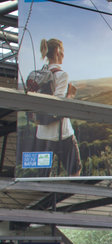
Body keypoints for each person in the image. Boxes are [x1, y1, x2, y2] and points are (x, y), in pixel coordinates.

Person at [33, 38, 82, 178]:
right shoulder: (62, 75)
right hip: (62, 134)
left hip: (41, 134)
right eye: (63, 51)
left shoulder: (38, 75)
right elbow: (59, 105)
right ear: (58, 51)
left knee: (41, 176)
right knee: (75, 171)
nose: (64, 55)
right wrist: (71, 95)